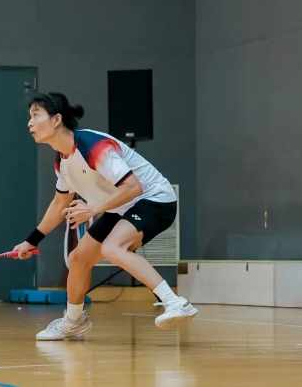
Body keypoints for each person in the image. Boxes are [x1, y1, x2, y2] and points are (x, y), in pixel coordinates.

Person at [14, 92, 198, 341]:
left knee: (113, 247)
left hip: (154, 200)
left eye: (36, 115)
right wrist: (31, 240)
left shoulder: (93, 146)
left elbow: (133, 187)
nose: (30, 123)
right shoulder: (62, 162)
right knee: (78, 258)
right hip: (120, 206)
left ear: (56, 120)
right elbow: (59, 204)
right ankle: (73, 322)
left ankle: (175, 303)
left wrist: (92, 208)